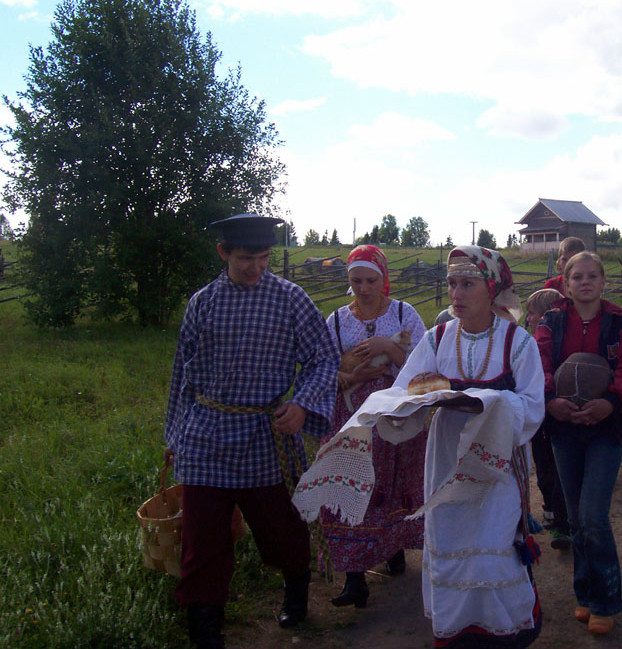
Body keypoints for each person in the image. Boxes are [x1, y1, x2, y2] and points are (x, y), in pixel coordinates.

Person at [163, 214, 339, 649]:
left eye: (263, 258)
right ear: (223, 253)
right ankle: (205, 630)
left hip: (266, 435)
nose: (256, 267)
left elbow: (323, 358)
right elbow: (182, 374)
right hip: (205, 435)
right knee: (203, 540)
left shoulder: (291, 299)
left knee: (282, 529)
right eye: (245, 258)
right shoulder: (202, 303)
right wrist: (174, 435)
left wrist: (301, 404)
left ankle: (296, 593)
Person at [393, 245, 545, 647]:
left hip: (497, 464)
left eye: (467, 284)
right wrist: (395, 408)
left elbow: (533, 407)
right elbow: (404, 390)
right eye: (452, 284)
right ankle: (456, 632)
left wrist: (488, 402)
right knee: (450, 538)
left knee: (494, 543)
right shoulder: (437, 337)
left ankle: (504, 632)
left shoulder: (518, 342)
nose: (456, 294)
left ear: (491, 288)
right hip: (447, 458)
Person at [534, 251, 622, 636]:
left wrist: (610, 402)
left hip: (606, 428)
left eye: (592, 276)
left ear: (603, 282)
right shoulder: (550, 322)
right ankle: (584, 591)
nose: (584, 282)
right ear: (565, 284)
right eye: (577, 277)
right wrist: (551, 401)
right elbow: (539, 364)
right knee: (576, 517)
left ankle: (605, 601)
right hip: (563, 427)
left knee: (594, 515)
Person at [321, 244, 427, 608]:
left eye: (371, 280)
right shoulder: (337, 321)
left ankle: (392, 547)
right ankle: (354, 578)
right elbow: (323, 368)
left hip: (396, 416)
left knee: (391, 484)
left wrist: (389, 348)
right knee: (350, 483)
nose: (364, 288)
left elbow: (425, 367)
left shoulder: (403, 313)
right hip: (352, 415)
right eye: (357, 281)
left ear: (384, 279)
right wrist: (354, 376)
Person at [524, 288, 571, 550]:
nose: (528, 319)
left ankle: (563, 522)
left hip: (556, 414)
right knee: (543, 467)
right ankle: (550, 508)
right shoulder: (527, 343)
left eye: (532, 314)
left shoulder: (556, 345)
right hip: (539, 419)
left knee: (559, 468)